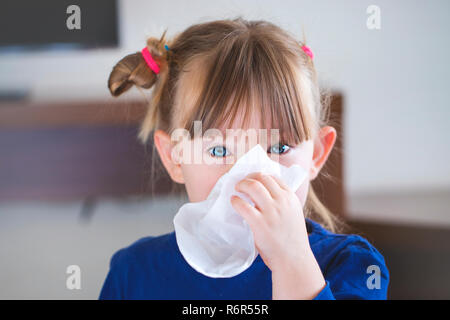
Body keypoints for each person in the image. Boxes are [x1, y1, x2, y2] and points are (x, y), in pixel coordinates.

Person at [99, 17, 389, 300]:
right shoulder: (133, 274)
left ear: (316, 154)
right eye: (220, 150)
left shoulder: (352, 267)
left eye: (279, 148)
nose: (252, 176)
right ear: (175, 157)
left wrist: (292, 261)